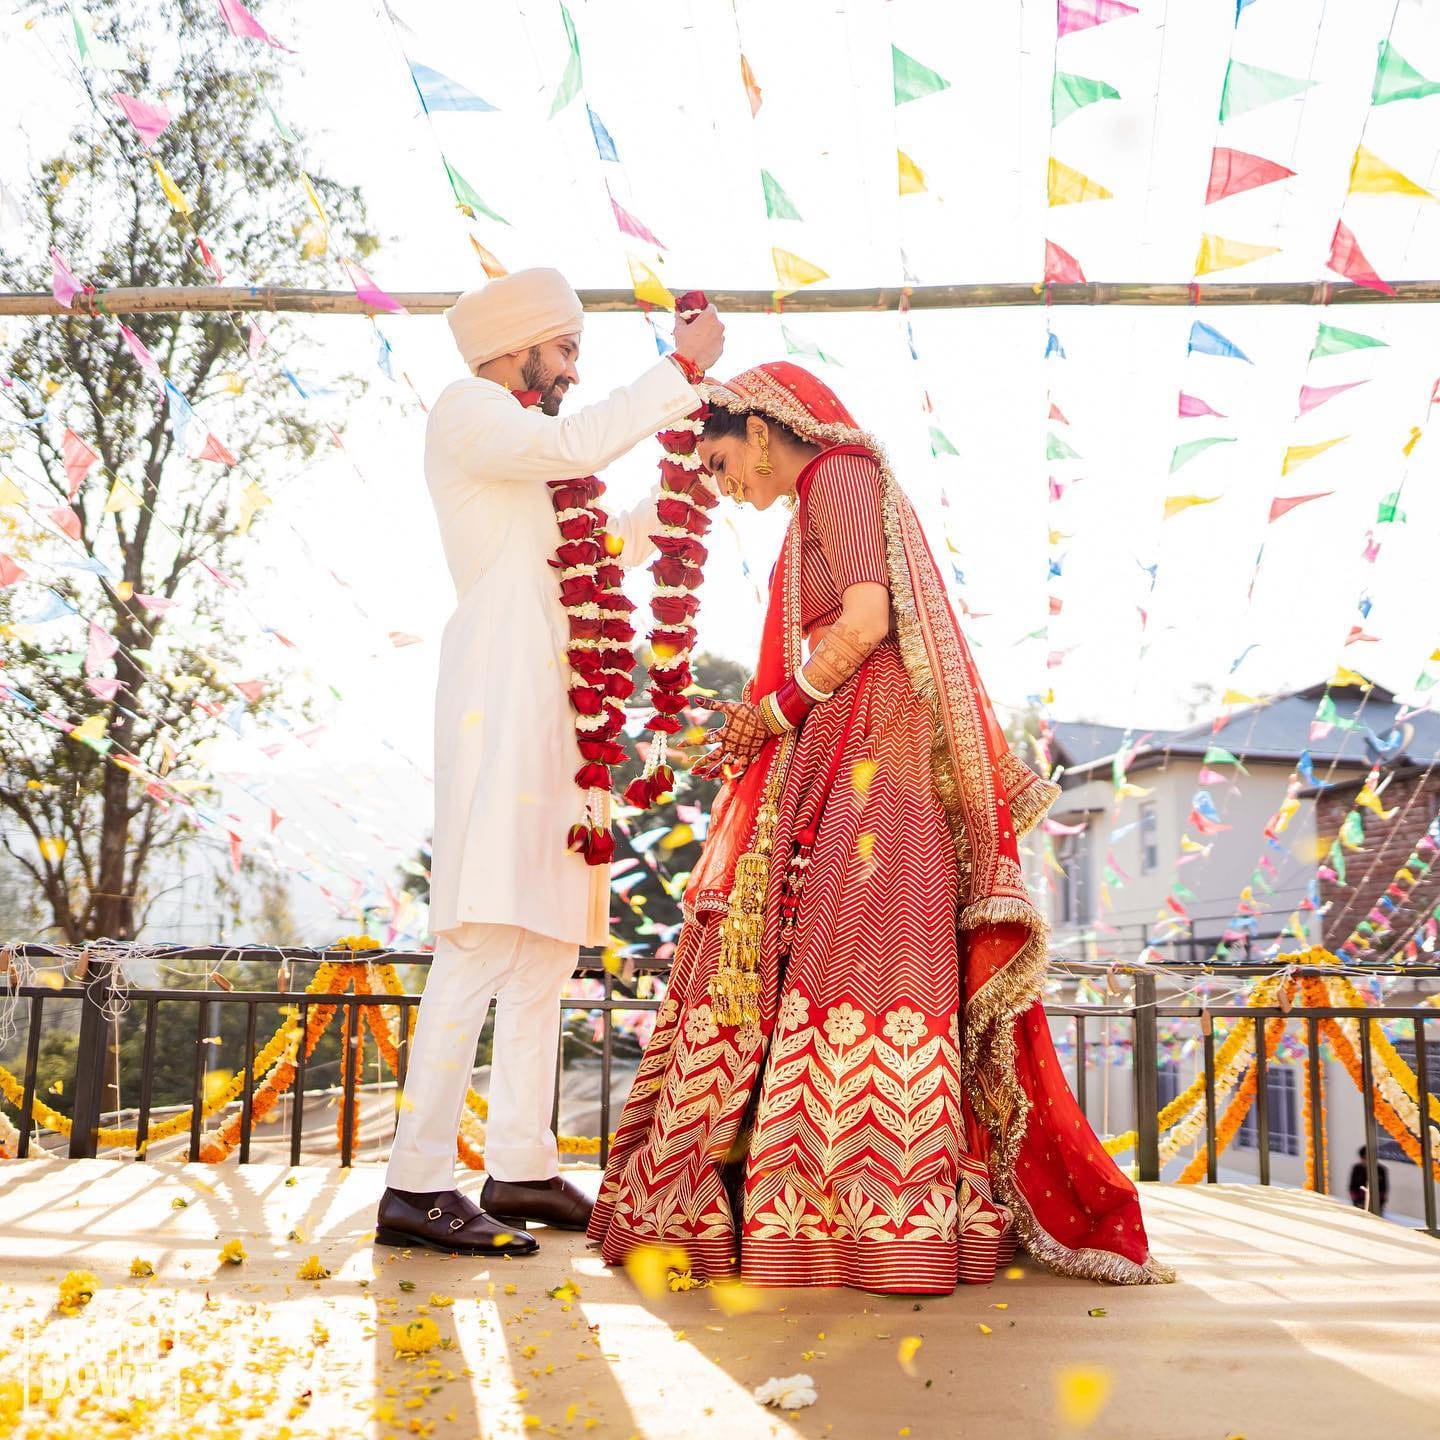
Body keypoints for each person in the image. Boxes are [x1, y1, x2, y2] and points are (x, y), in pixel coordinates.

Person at [586, 362, 1173, 1293]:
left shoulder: (841, 476)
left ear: (767, 428)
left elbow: (865, 618)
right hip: (841, 746)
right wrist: (769, 722)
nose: (726, 483)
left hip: (871, 757)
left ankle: (852, 1215)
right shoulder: (821, 492)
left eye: (723, 458)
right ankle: (802, 1210)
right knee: (809, 955)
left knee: (854, 959)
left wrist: (775, 711)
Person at [375, 268, 724, 1258]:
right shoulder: (470, 408)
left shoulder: (536, 467)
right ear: (519, 345)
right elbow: (575, 440)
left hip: (558, 707)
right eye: (565, 350)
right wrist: (679, 369)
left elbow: (596, 548)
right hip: (500, 690)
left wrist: (681, 492)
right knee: (484, 937)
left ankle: (520, 1166)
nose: (573, 369)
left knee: (541, 952)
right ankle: (415, 1183)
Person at [1348, 1145, 1390, 1214]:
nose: (1365, 1161)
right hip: (1359, 1203)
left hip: (1376, 1205)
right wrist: (1357, 1202)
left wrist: (1378, 1203)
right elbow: (1352, 1187)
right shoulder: (1357, 1169)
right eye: (1363, 1158)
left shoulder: (1381, 1170)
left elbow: (1384, 1189)